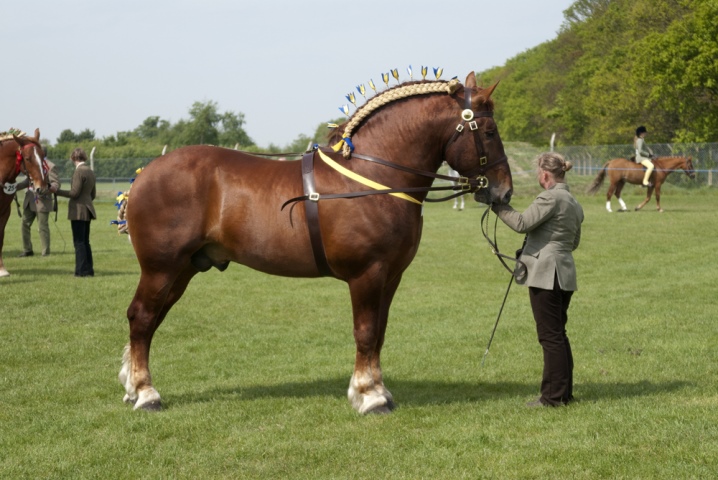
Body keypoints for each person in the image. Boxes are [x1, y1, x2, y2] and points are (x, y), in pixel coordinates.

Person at [491, 152, 584, 407]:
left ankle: (552, 398)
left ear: (544, 174)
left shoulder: (550, 197)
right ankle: (563, 394)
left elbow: (522, 223)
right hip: (565, 272)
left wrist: (497, 205)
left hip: (546, 274)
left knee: (550, 337)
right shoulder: (574, 202)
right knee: (558, 335)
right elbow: (573, 242)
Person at [56, 147, 96, 277]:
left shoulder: (79, 172)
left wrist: (56, 191)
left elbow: (74, 193)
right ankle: (89, 269)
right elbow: (93, 194)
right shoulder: (90, 171)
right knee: (85, 241)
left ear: (73, 158)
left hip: (78, 211)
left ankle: (81, 271)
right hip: (88, 209)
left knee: (78, 242)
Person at [16, 150, 61, 257]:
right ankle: (27, 250)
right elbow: (28, 181)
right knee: (24, 225)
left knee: (42, 227)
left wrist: (48, 189)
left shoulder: (50, 166)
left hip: (43, 200)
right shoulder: (33, 164)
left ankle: (45, 252)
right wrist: (15, 187)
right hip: (30, 199)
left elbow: (55, 183)